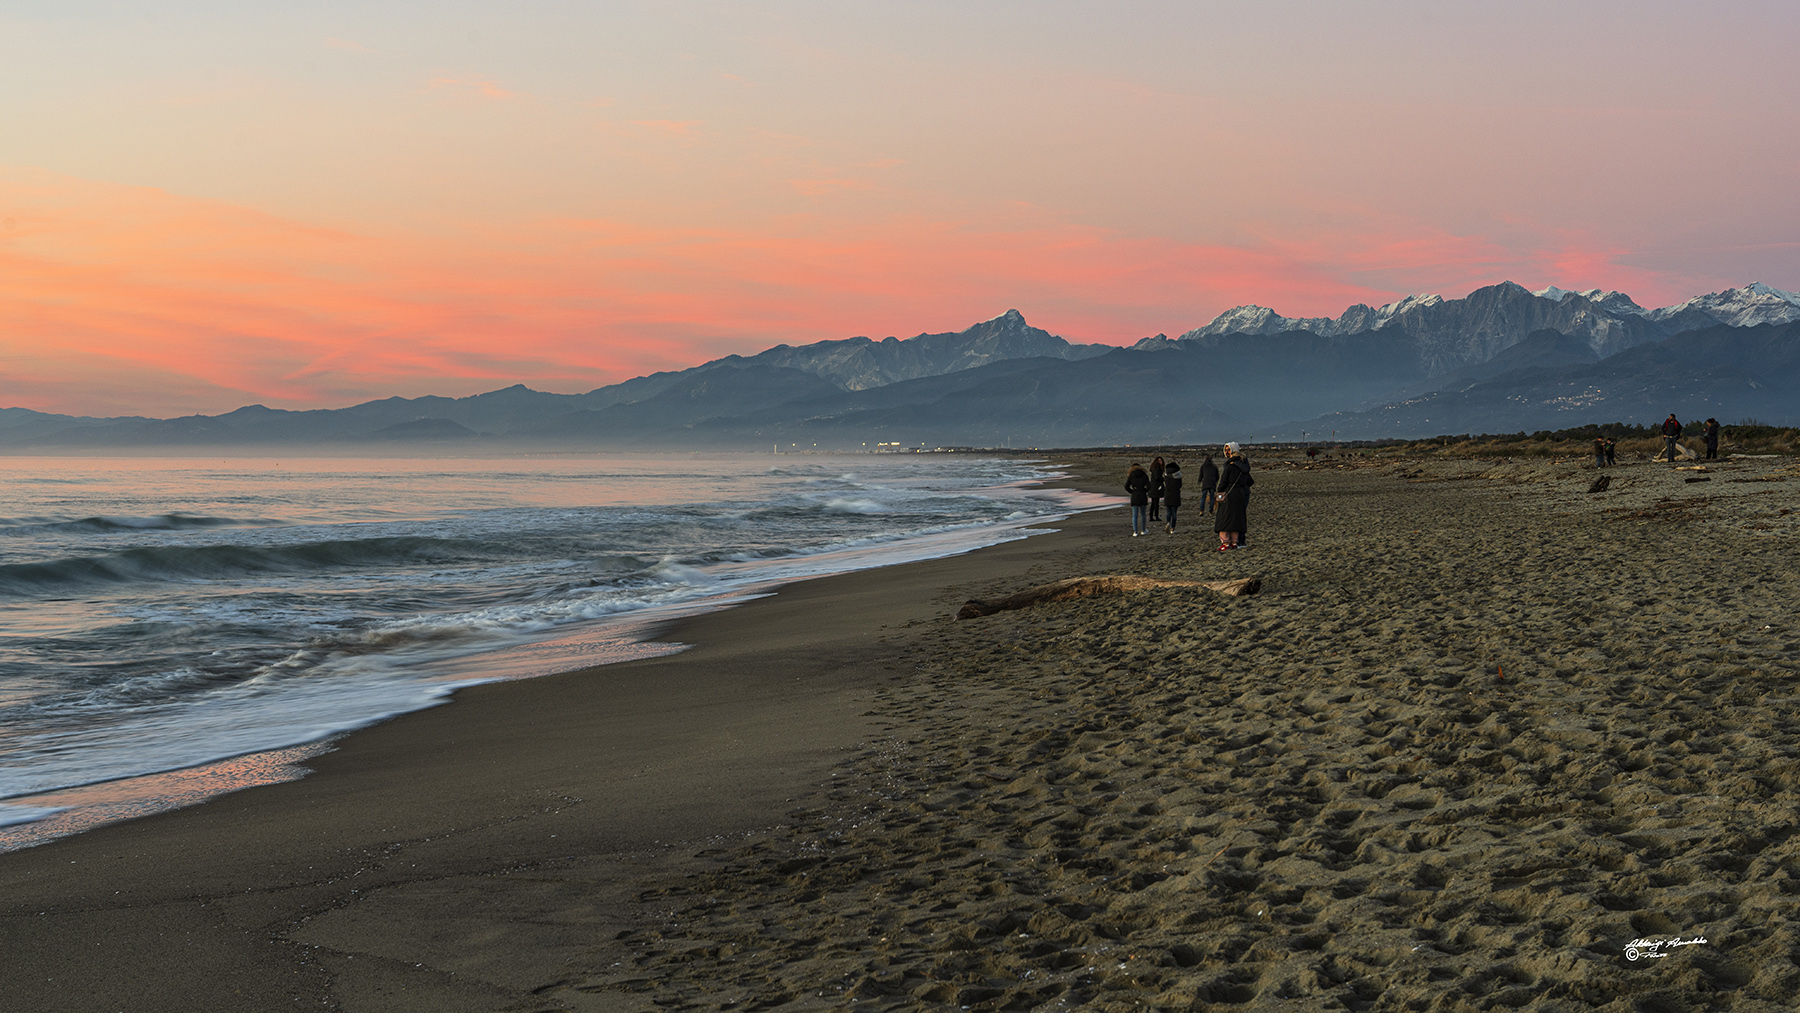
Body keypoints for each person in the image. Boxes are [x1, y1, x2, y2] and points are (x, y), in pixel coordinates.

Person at [1213, 443, 1253, 550]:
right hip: (1241, 494)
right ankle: (1236, 542)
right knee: (1237, 519)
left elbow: (1223, 482)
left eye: (1228, 450)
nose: (1227, 452)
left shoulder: (1230, 466)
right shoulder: (1245, 466)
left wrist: (1220, 491)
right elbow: (1250, 481)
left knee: (1224, 518)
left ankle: (1226, 543)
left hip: (1229, 494)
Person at [1124, 463, 1150, 536]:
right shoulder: (1144, 475)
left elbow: (1126, 486)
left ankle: (1135, 531)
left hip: (1135, 495)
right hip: (1142, 495)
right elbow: (1149, 486)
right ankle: (1143, 530)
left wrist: (1132, 491)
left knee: (1135, 515)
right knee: (1143, 514)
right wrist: (1144, 490)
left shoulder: (1131, 475)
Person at [1162, 460, 1183, 534]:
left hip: (1168, 494)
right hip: (1175, 494)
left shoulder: (1166, 475)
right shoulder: (1178, 475)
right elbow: (1180, 485)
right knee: (1174, 512)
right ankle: (1172, 528)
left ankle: (1168, 523)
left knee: (1168, 512)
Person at [1148, 456, 1166, 522]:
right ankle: (1156, 516)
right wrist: (1164, 479)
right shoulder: (1157, 468)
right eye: (1159, 461)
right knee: (1156, 502)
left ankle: (1151, 516)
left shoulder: (1154, 468)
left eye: (1161, 460)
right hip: (1156, 487)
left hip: (1153, 486)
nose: (1160, 462)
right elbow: (1157, 478)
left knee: (1154, 502)